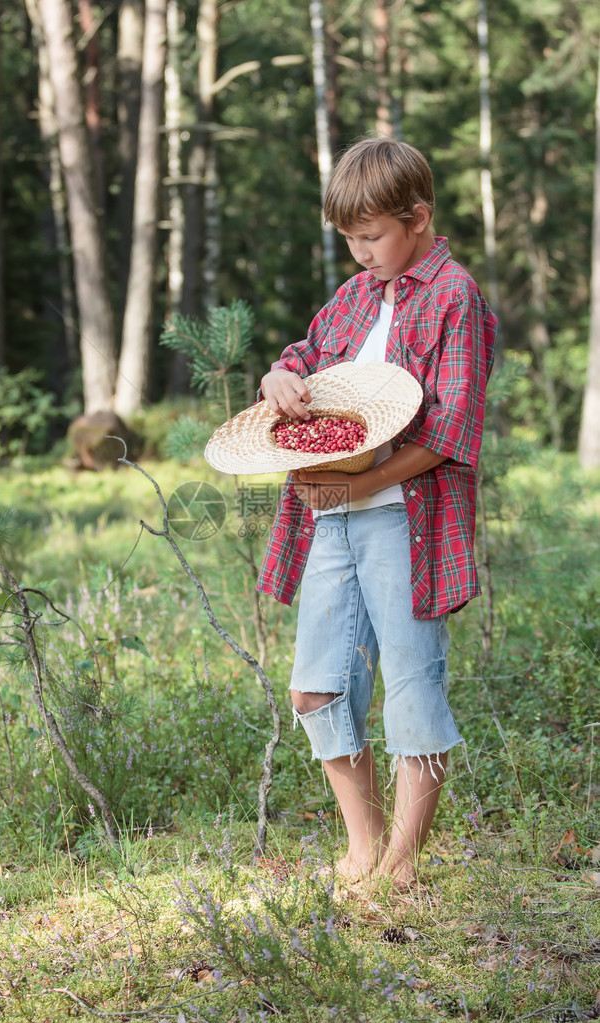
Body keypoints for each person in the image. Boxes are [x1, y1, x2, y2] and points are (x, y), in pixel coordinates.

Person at [257, 137, 498, 889]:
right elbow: (303, 354)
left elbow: (452, 429)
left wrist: (361, 487)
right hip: (330, 518)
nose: (361, 253)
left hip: (407, 521)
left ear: (418, 217)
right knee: (315, 685)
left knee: (412, 685)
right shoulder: (355, 298)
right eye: (350, 239)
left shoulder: (453, 295)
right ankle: (362, 845)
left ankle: (401, 863)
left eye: (372, 237)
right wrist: (278, 376)